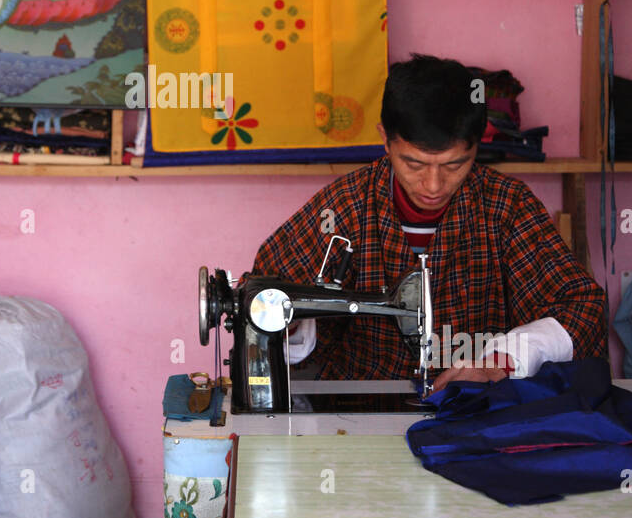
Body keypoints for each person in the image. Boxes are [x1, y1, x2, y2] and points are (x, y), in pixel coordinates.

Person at [252, 55, 608, 390]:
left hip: (479, 408)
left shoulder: (506, 205)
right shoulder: (345, 207)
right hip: (360, 406)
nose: (434, 186)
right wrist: (289, 323)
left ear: (477, 146)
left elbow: (584, 308)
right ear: (385, 140)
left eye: (454, 165)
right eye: (415, 164)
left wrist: (501, 362)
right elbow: (267, 293)